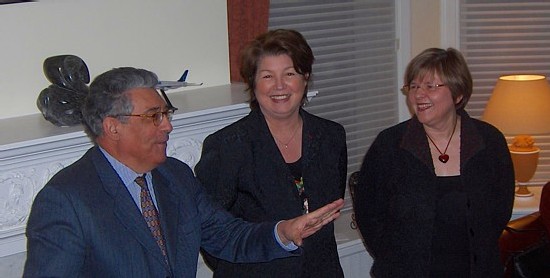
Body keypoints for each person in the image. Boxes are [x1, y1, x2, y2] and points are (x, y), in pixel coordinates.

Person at [23, 67, 344, 278]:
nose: (168, 125)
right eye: (153, 116)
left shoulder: (174, 176)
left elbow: (227, 236)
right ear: (112, 127)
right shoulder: (66, 200)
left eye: (166, 113)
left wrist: (284, 232)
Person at [194, 29, 347, 277]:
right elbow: (210, 233)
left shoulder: (331, 136)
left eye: (289, 74)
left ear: (305, 78)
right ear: (253, 83)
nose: (279, 86)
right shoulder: (226, 146)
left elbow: (327, 210)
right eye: (267, 76)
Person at [353, 48, 515, 277]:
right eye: (414, 86)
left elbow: (501, 208)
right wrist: (397, 261)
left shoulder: (489, 141)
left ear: (458, 94)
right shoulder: (389, 145)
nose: (418, 95)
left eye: (430, 86)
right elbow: (368, 212)